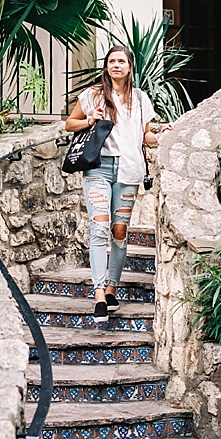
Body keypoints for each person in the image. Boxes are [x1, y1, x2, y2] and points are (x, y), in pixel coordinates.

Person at [64, 46, 167, 321]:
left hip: (129, 169)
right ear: (106, 66)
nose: (116, 65)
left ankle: (112, 288)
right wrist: (89, 120)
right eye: (112, 61)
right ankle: (98, 294)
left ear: (130, 67)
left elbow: (146, 137)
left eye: (121, 61)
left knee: (119, 232)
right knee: (99, 229)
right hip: (99, 167)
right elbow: (69, 124)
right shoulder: (93, 94)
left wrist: (163, 134)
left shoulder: (141, 99)